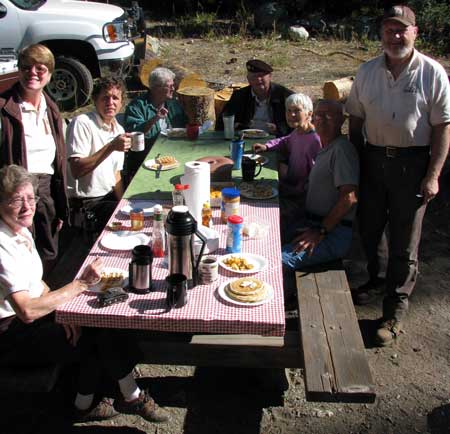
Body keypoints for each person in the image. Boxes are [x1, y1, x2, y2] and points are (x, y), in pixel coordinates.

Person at [0, 165, 169, 423]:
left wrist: (62, 311)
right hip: (11, 334)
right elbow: (26, 310)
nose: (27, 206)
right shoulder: (2, 244)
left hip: (31, 317)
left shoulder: (19, 229)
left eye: (31, 198)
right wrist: (79, 285)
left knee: (94, 316)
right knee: (94, 329)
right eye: (16, 200)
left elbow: (37, 283)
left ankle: (86, 401)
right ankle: (128, 395)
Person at [346, 5, 450, 346]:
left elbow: (441, 128)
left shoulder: (432, 73)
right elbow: (357, 121)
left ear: (415, 32)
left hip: (412, 164)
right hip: (373, 159)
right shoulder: (366, 72)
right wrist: (356, 163)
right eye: (389, 29)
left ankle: (394, 313)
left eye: (402, 29)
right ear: (381, 34)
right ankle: (376, 281)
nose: (395, 35)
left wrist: (433, 174)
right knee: (371, 227)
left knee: (405, 241)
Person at [0, 44, 69, 275]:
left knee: (48, 252)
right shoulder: (4, 108)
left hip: (46, 190)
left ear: (49, 74)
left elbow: (57, 162)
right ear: (18, 71)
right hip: (15, 194)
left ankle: (44, 301)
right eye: (26, 67)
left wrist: (59, 203)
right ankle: (21, 307)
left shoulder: (51, 109)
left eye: (40, 68)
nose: (33, 73)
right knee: (19, 255)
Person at [281, 100, 359, 276]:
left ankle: (282, 299)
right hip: (310, 223)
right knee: (267, 239)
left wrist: (320, 231)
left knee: (276, 261)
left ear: (342, 120)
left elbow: (350, 197)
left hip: (332, 233)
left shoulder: (342, 150)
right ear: (312, 119)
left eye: (329, 115)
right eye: (319, 115)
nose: (323, 120)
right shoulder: (326, 147)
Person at [66, 77, 131, 233]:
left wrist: (123, 204)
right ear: (95, 100)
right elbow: (77, 170)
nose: (110, 102)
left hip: (108, 198)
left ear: (121, 102)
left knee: (137, 216)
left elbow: (116, 174)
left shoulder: (119, 130)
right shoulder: (82, 123)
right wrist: (111, 147)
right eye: (105, 98)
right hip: (87, 203)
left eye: (115, 98)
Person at [253, 93, 322, 234]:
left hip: (301, 199)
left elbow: (315, 179)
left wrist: (291, 190)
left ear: (309, 113)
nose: (291, 115)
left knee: (261, 210)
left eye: (297, 110)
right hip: (289, 187)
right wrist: (267, 146)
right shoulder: (298, 132)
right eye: (288, 111)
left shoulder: (314, 140)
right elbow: (285, 140)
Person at [124, 67, 187, 181]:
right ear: (156, 88)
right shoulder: (137, 106)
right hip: (146, 162)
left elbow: (183, 128)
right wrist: (155, 118)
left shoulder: (173, 104)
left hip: (173, 157)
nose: (173, 88)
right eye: (169, 86)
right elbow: (135, 134)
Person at [216, 59, 293, 137]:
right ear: (248, 79)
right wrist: (237, 126)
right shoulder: (239, 96)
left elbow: (297, 124)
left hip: (277, 140)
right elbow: (222, 122)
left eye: (261, 75)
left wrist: (278, 129)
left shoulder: (285, 96)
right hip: (245, 139)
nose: (258, 79)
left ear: (270, 76)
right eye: (254, 76)